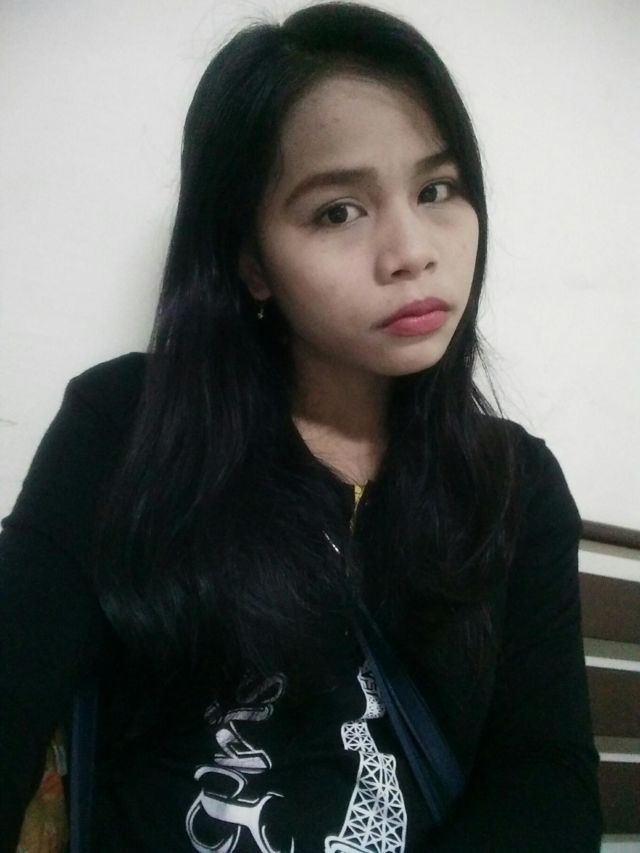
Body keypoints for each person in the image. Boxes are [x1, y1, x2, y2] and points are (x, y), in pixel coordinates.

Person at [0, 2, 603, 851]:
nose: (412, 250)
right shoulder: (127, 427)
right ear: (252, 262)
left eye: (436, 190)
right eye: (337, 211)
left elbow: (546, 785)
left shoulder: (512, 484)